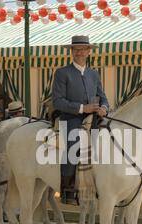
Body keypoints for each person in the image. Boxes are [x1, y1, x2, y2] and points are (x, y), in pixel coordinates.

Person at [52, 35, 109, 205]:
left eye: (83, 49)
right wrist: (83, 108)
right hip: (71, 118)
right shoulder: (62, 73)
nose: (80, 52)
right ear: (71, 52)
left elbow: (103, 96)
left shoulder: (93, 73)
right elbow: (58, 101)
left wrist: (104, 108)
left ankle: (101, 183)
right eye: (76, 49)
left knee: (109, 141)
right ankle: (68, 190)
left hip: (94, 118)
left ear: (89, 52)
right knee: (73, 145)